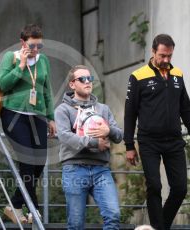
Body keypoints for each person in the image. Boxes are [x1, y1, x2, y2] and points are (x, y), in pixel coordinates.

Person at [124, 34, 190, 230]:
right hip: (149, 141)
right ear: (153, 52)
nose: (166, 60)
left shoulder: (177, 74)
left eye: (169, 56)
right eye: (162, 56)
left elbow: (185, 107)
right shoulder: (138, 76)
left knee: (180, 188)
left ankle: (159, 227)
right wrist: (129, 145)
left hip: (174, 140)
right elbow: (130, 113)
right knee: (155, 187)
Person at [0, 24, 56, 224]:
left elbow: (47, 90)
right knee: (27, 160)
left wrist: (51, 117)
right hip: (14, 115)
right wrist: (21, 66)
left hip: (37, 116)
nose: (36, 50)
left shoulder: (44, 60)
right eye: (32, 45)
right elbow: (3, 84)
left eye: (40, 46)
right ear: (23, 42)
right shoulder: (11, 58)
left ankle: (14, 204)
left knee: (39, 161)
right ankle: (33, 209)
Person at [55, 65, 122, 230]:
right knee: (76, 223)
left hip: (101, 169)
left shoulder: (103, 109)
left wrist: (108, 130)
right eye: (82, 79)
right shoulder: (63, 110)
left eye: (89, 78)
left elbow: (119, 135)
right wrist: (94, 143)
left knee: (113, 215)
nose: (87, 82)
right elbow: (65, 137)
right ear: (72, 84)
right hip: (74, 168)